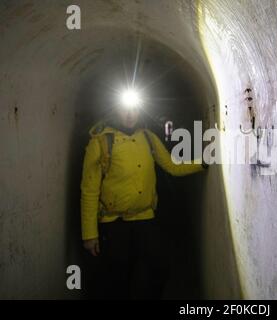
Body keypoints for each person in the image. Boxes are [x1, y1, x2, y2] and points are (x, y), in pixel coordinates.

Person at [80, 102, 205, 299]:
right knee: (118, 275)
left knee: (159, 267)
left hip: (145, 217)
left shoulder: (148, 137)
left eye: (135, 108)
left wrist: (203, 163)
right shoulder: (101, 142)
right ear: (115, 109)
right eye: (124, 108)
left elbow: (171, 165)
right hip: (114, 223)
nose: (130, 114)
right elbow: (89, 190)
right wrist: (89, 234)